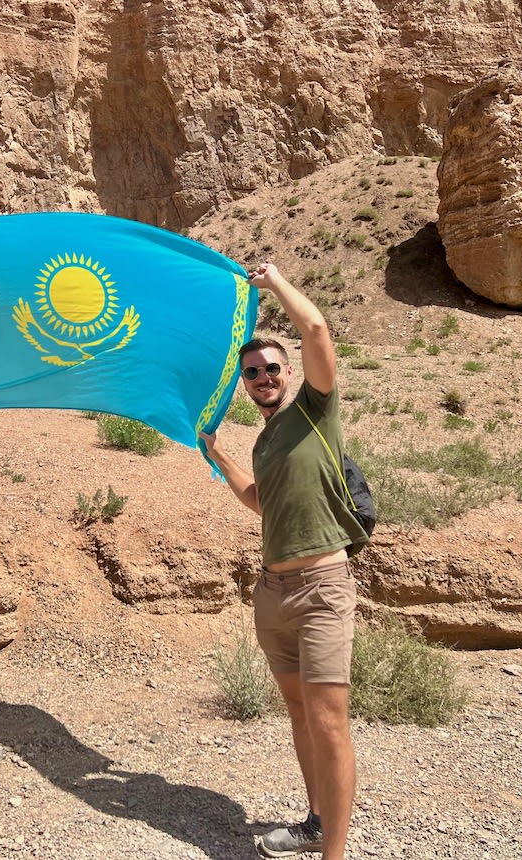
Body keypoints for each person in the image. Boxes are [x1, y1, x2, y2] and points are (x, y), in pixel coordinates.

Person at [201, 262, 368, 859]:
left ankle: (335, 855)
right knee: (299, 713)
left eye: (272, 367)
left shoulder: (315, 410)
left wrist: (273, 282)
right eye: (253, 372)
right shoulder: (267, 438)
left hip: (322, 587)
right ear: (245, 384)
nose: (263, 376)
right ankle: (316, 822)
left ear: (289, 372)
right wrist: (218, 454)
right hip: (273, 592)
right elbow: (258, 501)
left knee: (328, 722)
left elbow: (318, 329)